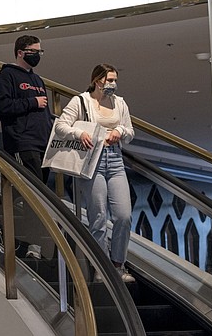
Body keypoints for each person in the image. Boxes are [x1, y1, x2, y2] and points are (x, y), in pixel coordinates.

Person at [54, 63, 136, 282]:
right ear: (97, 80)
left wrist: (119, 131)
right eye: (109, 80)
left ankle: (117, 263)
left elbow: (129, 130)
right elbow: (61, 126)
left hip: (116, 159)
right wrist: (79, 133)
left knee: (123, 215)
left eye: (114, 80)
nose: (112, 84)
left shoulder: (119, 103)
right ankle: (102, 267)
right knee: (98, 216)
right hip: (92, 161)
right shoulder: (81, 101)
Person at [0, 35, 52, 183]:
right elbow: (1, 105)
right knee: (33, 190)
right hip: (22, 142)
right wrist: (32, 102)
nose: (37, 55)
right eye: (33, 51)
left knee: (43, 191)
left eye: (39, 51)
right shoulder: (7, 75)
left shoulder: (38, 80)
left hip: (42, 143)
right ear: (20, 53)